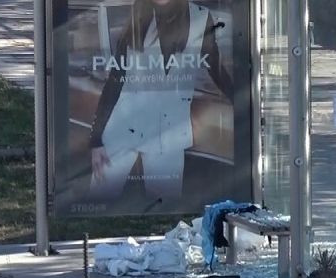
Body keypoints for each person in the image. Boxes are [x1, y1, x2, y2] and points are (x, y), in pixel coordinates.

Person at [88, 0, 233, 203]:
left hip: (169, 131)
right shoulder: (138, 15)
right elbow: (115, 81)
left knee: (166, 205)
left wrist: (242, 99)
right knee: (99, 198)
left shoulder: (200, 17)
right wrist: (96, 141)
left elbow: (215, 68)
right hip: (123, 128)